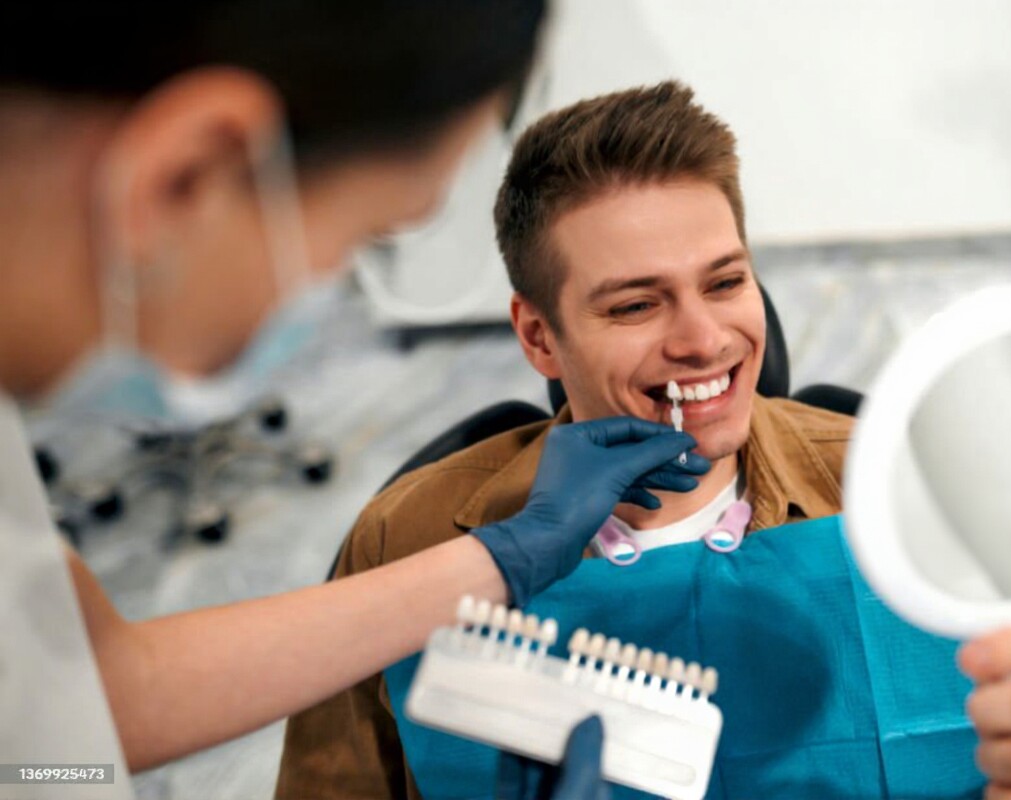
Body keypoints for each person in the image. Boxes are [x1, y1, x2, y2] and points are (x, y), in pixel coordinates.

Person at [278, 82, 1011, 800]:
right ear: (539, 336)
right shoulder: (410, 541)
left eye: (725, 283)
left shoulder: (896, 487)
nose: (704, 340)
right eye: (635, 305)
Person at [0, 4, 706, 796]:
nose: (701, 339)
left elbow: (89, 701)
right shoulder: (403, 521)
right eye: (366, 235)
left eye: (725, 280)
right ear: (186, 176)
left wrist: (503, 559)